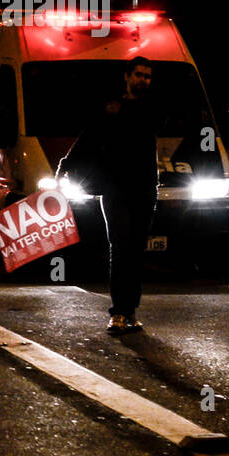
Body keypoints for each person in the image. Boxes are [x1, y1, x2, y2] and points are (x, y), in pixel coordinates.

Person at [58, 57, 158, 334]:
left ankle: (131, 311)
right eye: (139, 75)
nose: (143, 80)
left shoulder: (152, 108)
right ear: (127, 76)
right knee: (121, 247)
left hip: (146, 189)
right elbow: (87, 138)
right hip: (115, 189)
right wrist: (66, 165)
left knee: (136, 251)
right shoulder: (110, 108)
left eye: (148, 76)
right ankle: (117, 313)